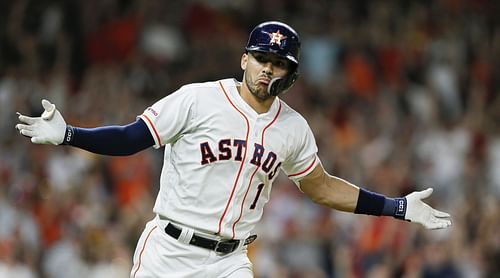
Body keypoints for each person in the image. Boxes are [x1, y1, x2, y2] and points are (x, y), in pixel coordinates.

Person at [15, 21, 452, 278]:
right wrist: (71, 134)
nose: (268, 70)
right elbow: (133, 137)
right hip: (168, 250)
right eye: (262, 59)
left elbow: (320, 188)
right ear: (245, 59)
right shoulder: (197, 98)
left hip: (231, 262)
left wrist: (395, 208)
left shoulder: (293, 129)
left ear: (291, 74)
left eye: (279, 64)